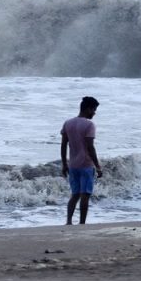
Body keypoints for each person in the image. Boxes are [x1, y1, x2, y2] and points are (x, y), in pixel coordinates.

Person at [60, 96, 103, 225]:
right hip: (86, 164)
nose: (94, 113)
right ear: (88, 109)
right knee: (85, 195)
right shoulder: (89, 125)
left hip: (73, 165)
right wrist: (98, 165)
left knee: (75, 195)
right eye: (94, 110)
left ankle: (68, 221)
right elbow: (90, 146)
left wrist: (64, 164)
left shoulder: (68, 123)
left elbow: (63, 145)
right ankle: (82, 223)